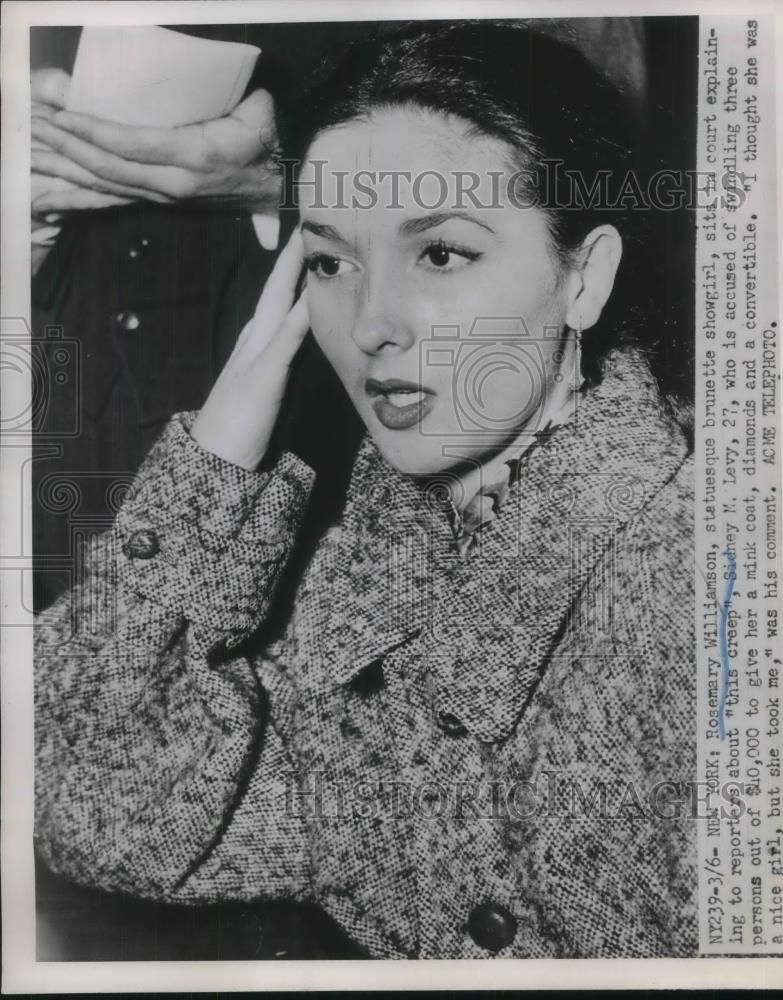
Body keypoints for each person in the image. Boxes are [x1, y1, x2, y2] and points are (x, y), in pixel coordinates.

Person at [34, 21, 696, 958]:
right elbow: (93, 804)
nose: (373, 324)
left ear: (582, 279)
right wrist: (214, 462)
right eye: (332, 263)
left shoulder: (700, 586)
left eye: (440, 255)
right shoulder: (379, 561)